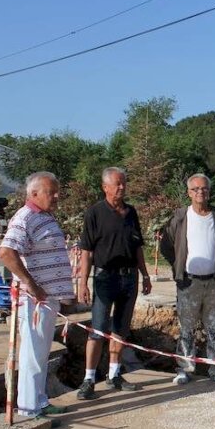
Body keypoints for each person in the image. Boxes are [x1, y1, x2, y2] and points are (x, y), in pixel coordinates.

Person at [0, 172, 75, 417]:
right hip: (33, 301)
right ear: (33, 194)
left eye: (56, 191)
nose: (57, 196)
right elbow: (6, 252)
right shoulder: (26, 217)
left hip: (47, 300)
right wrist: (30, 284)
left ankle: (40, 401)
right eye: (51, 192)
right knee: (32, 355)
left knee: (41, 354)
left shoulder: (44, 216)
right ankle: (29, 409)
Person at [75, 167, 152, 400]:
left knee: (120, 329)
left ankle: (114, 374)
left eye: (124, 183)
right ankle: (89, 379)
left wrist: (145, 275)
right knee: (98, 329)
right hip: (104, 278)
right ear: (105, 187)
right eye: (117, 184)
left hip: (129, 279)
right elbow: (86, 251)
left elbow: (138, 247)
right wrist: (83, 283)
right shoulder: (95, 213)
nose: (121, 187)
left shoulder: (131, 212)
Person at [159, 174, 215, 385]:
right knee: (187, 328)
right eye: (195, 189)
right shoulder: (180, 217)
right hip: (188, 283)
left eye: (204, 189)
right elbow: (166, 245)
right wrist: (178, 266)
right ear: (188, 193)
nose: (200, 192)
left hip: (213, 283)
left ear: (209, 192)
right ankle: (185, 368)